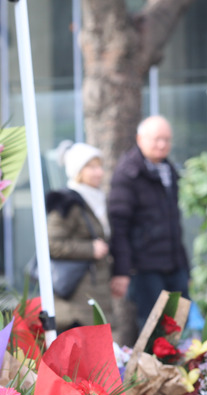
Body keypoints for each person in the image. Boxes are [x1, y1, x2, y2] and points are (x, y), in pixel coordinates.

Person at [107, 115, 191, 332]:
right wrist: (122, 270)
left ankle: (175, 368)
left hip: (174, 264)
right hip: (145, 267)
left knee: (180, 325)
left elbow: (174, 224)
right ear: (140, 139)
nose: (162, 145)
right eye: (156, 139)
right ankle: (152, 367)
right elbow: (119, 226)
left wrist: (185, 268)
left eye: (167, 139)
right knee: (153, 330)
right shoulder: (128, 173)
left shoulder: (169, 170)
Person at [45, 141, 115, 334]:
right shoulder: (68, 203)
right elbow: (51, 244)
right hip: (77, 296)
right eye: (91, 167)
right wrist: (90, 249)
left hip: (97, 289)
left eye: (99, 166)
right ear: (77, 170)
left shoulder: (98, 199)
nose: (98, 172)